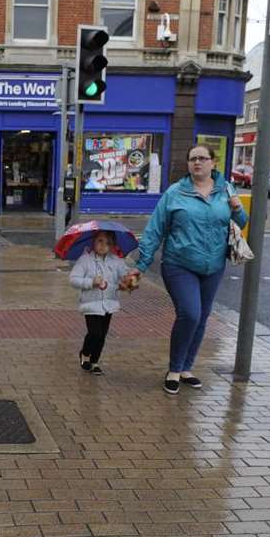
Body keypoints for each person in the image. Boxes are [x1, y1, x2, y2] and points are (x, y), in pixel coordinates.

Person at [127, 145, 247, 394]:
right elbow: (155, 229)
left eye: (203, 158)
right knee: (190, 313)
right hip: (179, 264)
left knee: (202, 317)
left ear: (213, 163)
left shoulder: (226, 190)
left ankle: (186, 368)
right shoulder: (175, 193)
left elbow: (241, 223)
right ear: (188, 164)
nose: (197, 163)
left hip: (213, 266)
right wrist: (141, 265)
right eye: (193, 159)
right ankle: (173, 368)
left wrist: (237, 208)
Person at [69, 231, 133, 375]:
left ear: (113, 246)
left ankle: (95, 362)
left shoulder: (116, 261)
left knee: (102, 335)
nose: (104, 245)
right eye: (100, 241)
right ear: (93, 242)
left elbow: (125, 276)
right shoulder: (85, 260)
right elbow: (73, 279)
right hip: (91, 304)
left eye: (108, 243)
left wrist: (127, 283)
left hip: (109, 304)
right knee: (95, 333)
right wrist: (90, 282)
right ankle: (85, 353)